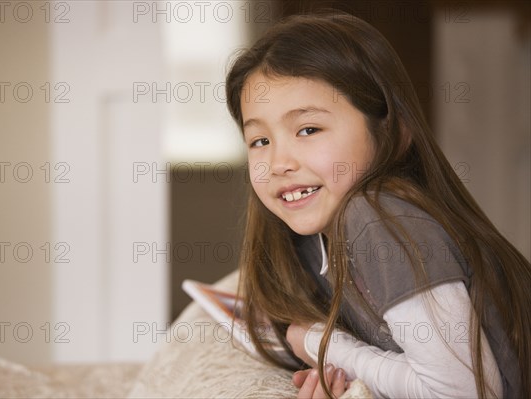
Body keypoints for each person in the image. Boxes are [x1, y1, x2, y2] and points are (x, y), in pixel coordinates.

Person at [224, 11, 530, 399]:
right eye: (260, 141)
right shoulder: (311, 238)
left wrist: (322, 344)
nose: (279, 162)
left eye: (308, 129)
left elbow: (463, 392)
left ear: (391, 133)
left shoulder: (376, 219)